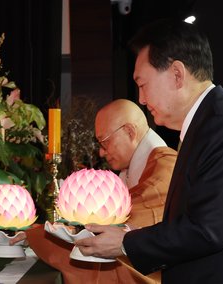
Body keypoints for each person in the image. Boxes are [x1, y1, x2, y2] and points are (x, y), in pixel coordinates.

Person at [74, 18, 223, 283]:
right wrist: (130, 234)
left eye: (142, 84)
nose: (140, 99)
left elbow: (208, 230)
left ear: (177, 74)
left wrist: (127, 243)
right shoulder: (210, 124)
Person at [13, 99, 177, 284]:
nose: (100, 153)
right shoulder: (130, 170)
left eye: (104, 142)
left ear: (130, 132)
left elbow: (118, 230)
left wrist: (40, 235)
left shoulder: (166, 166)